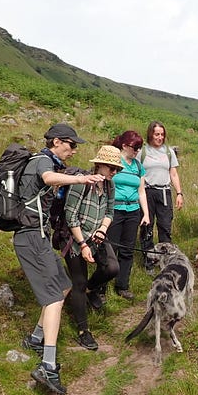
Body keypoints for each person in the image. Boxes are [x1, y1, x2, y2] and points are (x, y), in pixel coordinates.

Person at [18, 123, 104, 395]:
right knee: (54, 297)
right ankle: (48, 365)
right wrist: (82, 179)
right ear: (56, 141)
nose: (74, 149)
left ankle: (35, 339)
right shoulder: (43, 160)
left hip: (38, 236)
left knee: (64, 285)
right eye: (71, 144)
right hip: (30, 236)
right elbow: (47, 178)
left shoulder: (50, 160)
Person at [62, 145, 122, 351]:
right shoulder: (82, 183)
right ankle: (83, 331)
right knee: (78, 281)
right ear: (99, 165)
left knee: (112, 268)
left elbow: (110, 211)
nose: (114, 172)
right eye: (110, 167)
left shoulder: (109, 186)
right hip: (74, 237)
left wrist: (102, 230)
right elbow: (70, 216)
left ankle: (87, 292)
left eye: (117, 169)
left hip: (97, 235)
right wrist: (83, 244)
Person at [108, 130, 150, 300]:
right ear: (124, 145)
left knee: (128, 249)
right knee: (111, 248)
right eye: (135, 147)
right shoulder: (113, 161)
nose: (137, 151)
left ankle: (122, 285)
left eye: (140, 148)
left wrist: (145, 214)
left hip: (133, 211)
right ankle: (101, 287)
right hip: (114, 210)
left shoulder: (138, 167)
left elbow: (141, 191)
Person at [139, 121, 183, 273]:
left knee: (165, 227)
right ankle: (149, 261)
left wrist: (179, 193)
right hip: (147, 192)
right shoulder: (142, 152)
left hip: (164, 192)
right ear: (150, 134)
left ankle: (166, 260)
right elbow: (136, 171)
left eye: (162, 134)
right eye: (157, 134)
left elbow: (174, 173)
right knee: (147, 227)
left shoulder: (168, 152)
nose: (159, 137)